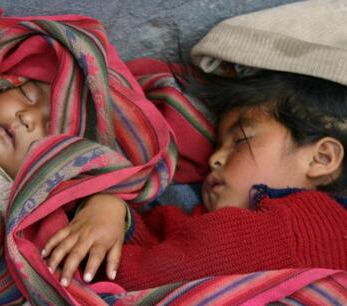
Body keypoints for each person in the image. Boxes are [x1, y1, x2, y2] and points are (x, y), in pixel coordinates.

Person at [42, 69, 347, 290]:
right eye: (217, 147)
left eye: (241, 140)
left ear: (321, 159)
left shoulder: (305, 224)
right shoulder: (231, 225)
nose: (215, 159)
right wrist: (113, 213)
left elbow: (144, 277)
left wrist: (93, 220)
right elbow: (173, 246)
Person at [0, 78, 130, 288]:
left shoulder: (48, 209)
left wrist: (109, 208)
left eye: (51, 128)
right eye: (26, 94)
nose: (27, 117)